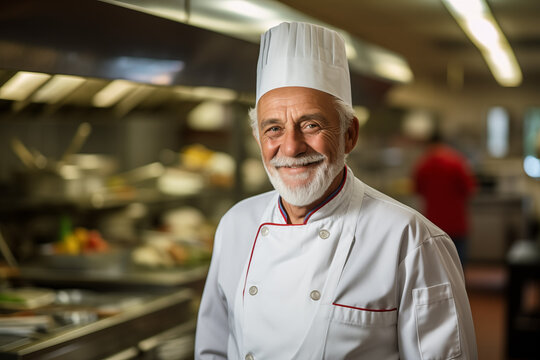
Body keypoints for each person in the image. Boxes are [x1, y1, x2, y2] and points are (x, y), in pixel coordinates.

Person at [195, 22, 477, 359]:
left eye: (311, 125)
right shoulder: (236, 224)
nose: (291, 147)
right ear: (258, 139)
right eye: (274, 128)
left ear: (349, 135)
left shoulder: (411, 240)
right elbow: (212, 348)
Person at [413, 131, 476, 267]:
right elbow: (469, 189)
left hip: (432, 223)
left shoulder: (423, 164)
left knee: (436, 266)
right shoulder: (457, 162)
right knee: (457, 264)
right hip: (456, 222)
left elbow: (417, 189)